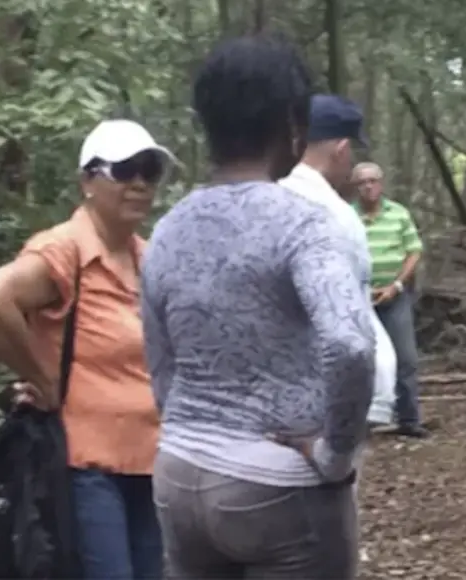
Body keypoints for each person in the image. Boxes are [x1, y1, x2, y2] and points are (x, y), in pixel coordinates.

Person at [140, 36, 376, 580]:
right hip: (279, 489)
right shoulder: (303, 223)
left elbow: (159, 360)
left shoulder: (168, 229)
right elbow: (349, 341)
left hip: (180, 476)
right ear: (293, 125)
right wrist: (336, 453)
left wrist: (190, 427)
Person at [0, 119, 175, 580]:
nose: (139, 182)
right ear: (88, 181)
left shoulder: (147, 256)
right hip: (86, 465)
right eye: (124, 170)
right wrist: (42, 378)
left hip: (150, 459)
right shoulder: (65, 250)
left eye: (149, 169)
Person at [279, 94, 400, 438]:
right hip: (325, 397)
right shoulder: (336, 215)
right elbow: (351, 320)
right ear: (341, 149)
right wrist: (377, 389)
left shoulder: (264, 198)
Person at [352, 161, 428, 438]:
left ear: (381, 183)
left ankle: (409, 419)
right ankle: (362, 420)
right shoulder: (346, 216)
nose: (368, 186)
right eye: (362, 182)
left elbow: (414, 251)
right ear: (356, 187)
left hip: (395, 295)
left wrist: (396, 285)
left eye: (373, 180)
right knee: (359, 358)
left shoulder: (398, 214)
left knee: (405, 357)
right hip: (358, 299)